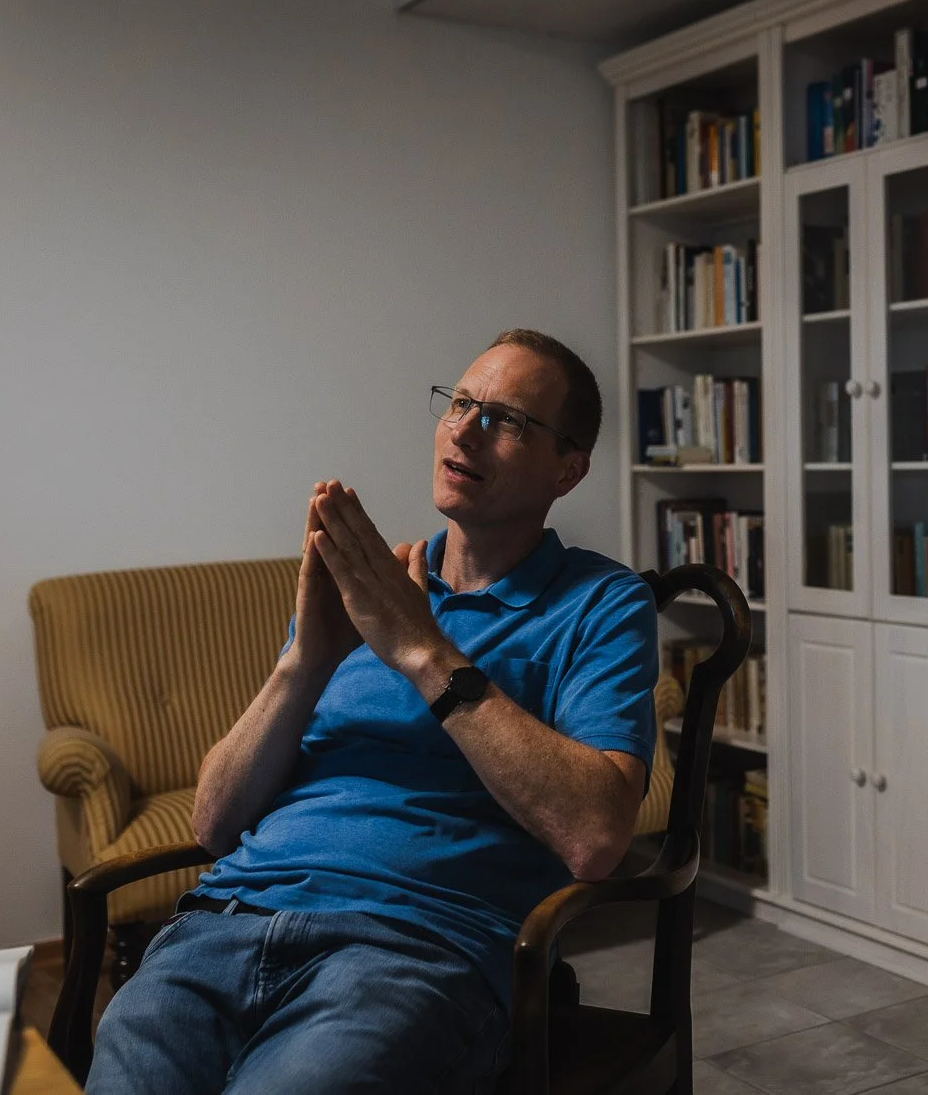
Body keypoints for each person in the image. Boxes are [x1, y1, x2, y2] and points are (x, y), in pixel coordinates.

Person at [86, 330, 658, 1095]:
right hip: (224, 923)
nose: (464, 428)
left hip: (416, 951)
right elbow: (213, 823)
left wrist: (424, 650)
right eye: (459, 403)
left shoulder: (602, 604)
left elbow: (594, 838)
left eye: (508, 419)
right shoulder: (363, 587)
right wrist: (306, 660)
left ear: (569, 467)